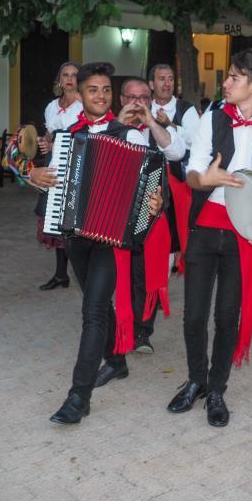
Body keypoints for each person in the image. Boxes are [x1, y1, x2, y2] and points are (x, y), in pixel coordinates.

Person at [29, 63, 162, 425]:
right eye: (93, 90)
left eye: (105, 90)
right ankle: (117, 361)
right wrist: (34, 176)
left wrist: (154, 203)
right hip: (76, 236)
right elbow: (50, 181)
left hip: (112, 239)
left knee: (93, 313)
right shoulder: (68, 135)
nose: (100, 96)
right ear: (80, 95)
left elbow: (152, 181)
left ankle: (78, 397)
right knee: (97, 305)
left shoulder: (131, 135)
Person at [168, 49, 252, 427]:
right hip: (205, 226)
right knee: (194, 316)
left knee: (226, 317)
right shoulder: (214, 117)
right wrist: (207, 179)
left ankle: (217, 388)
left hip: (244, 235)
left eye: (235, 78)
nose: (226, 83)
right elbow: (192, 171)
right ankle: (195, 380)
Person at [92, 77, 184, 381]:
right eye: (131, 97)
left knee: (150, 275)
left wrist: (151, 122)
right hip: (118, 217)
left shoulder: (160, 129)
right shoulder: (110, 127)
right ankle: (122, 332)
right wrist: (120, 123)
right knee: (123, 276)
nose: (137, 103)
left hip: (154, 216)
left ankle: (144, 332)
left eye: (143, 97)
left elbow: (177, 153)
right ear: (121, 99)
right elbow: (98, 152)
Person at [148, 63, 200, 276]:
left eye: (170, 79)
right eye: (162, 79)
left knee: (172, 230)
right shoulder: (144, 106)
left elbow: (196, 139)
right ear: (152, 84)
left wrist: (169, 124)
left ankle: (163, 279)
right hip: (150, 175)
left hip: (177, 180)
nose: (167, 83)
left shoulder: (184, 109)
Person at [36, 61, 82, 290]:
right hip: (54, 165)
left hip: (75, 165)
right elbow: (49, 132)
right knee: (55, 219)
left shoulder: (84, 106)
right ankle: (61, 274)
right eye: (66, 75)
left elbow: (84, 137)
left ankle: (82, 272)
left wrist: (55, 145)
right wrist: (44, 141)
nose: (70, 79)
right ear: (60, 79)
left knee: (72, 221)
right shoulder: (52, 106)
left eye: (74, 75)